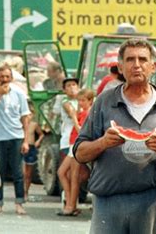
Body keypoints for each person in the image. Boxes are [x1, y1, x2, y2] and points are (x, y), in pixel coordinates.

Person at [74, 38, 156, 234]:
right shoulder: (105, 101)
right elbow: (79, 152)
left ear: (153, 66)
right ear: (120, 67)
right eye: (130, 60)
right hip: (109, 200)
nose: (136, 65)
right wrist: (103, 142)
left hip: (153, 199)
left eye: (142, 59)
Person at [0, 65, 30, 215]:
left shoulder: (19, 94)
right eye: (1, 77)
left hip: (16, 136)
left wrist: (26, 140)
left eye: (7, 77)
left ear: (11, 78)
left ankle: (19, 203)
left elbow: (25, 117)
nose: (4, 80)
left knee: (17, 172)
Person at [58, 88, 94, 216]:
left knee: (73, 176)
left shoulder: (87, 113)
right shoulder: (84, 112)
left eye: (83, 100)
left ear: (90, 101)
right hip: (72, 144)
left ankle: (71, 205)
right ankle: (70, 202)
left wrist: (73, 117)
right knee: (64, 173)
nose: (80, 103)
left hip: (76, 145)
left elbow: (81, 131)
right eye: (79, 100)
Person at [56, 78, 80, 213]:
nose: (72, 88)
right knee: (68, 173)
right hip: (67, 140)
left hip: (77, 140)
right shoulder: (66, 102)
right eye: (69, 86)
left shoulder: (81, 101)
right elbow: (72, 113)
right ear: (64, 90)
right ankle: (69, 202)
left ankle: (71, 203)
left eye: (74, 85)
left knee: (75, 174)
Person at [23, 105, 44, 201]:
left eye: (30, 114)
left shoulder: (34, 124)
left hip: (31, 147)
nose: (29, 116)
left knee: (28, 173)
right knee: (22, 172)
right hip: (22, 147)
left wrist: (38, 141)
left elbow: (41, 134)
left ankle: (26, 192)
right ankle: (20, 192)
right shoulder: (20, 124)